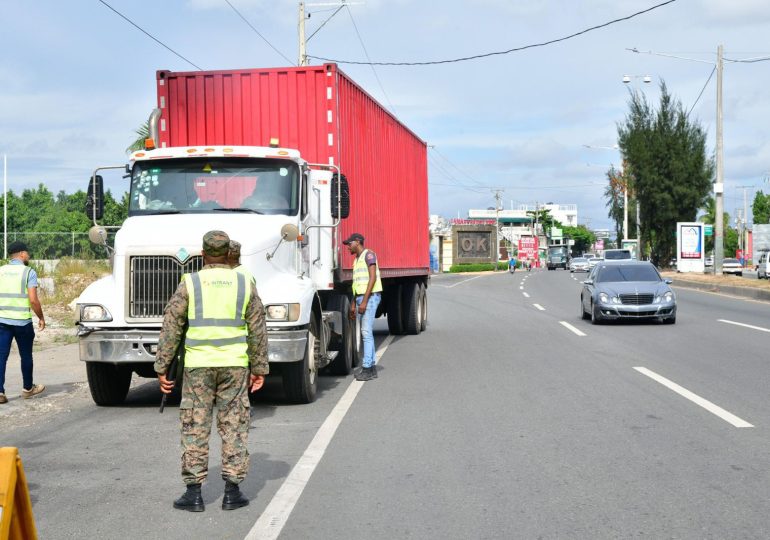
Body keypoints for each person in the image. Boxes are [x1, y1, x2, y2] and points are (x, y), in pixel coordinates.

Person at [154, 230, 269, 512]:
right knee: (234, 425)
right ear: (229, 252)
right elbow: (257, 327)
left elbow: (171, 326)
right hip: (235, 364)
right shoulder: (244, 282)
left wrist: (161, 367)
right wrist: (259, 367)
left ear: (203, 253)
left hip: (198, 366)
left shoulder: (190, 283)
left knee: (195, 425)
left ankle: (194, 494)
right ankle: (232, 492)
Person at [0, 241, 46, 404]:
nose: (28, 255)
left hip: (2, 321)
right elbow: (33, 300)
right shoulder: (28, 272)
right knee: (26, 356)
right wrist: (41, 317)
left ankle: (0, 392)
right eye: (27, 252)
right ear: (21, 254)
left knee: (1, 356)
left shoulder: (1, 271)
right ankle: (28, 389)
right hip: (22, 322)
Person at [344, 233, 382, 382]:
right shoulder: (356, 260)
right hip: (361, 297)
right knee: (366, 332)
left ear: (358, 242)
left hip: (371, 297)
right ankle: (371, 368)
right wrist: (354, 303)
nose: (348, 246)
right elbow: (356, 284)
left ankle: (367, 368)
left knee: (365, 332)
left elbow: (372, 278)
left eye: (349, 243)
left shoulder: (369, 255)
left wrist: (364, 301)